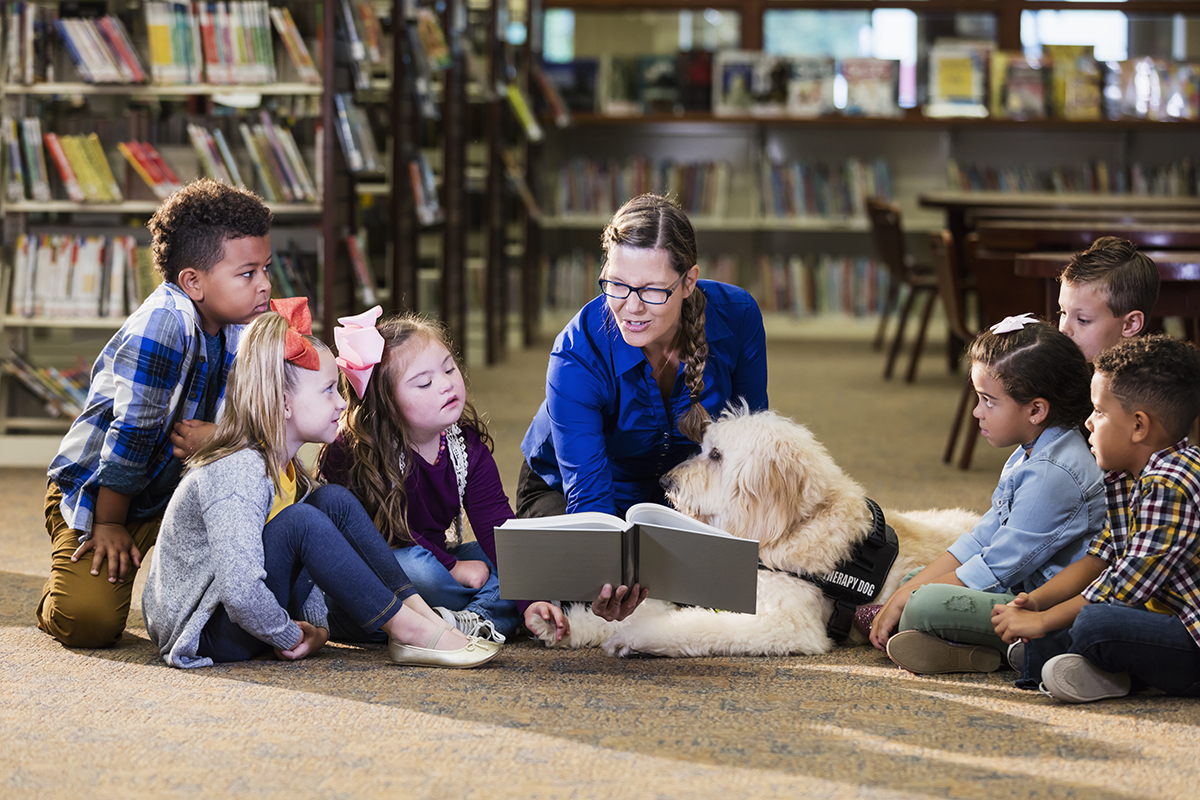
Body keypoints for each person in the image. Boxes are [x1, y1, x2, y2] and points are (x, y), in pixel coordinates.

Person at [142, 299, 500, 669]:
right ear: (283, 404)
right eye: (329, 390)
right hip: (209, 631)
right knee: (302, 522)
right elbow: (240, 592)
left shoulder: (288, 468)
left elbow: (310, 563)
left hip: (253, 615)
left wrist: (317, 629)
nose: (343, 404)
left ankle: (420, 615)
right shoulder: (238, 471)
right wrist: (288, 634)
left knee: (333, 500)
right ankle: (410, 631)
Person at [38, 179, 273, 648]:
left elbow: (266, 420)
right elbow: (132, 434)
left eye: (266, 268)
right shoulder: (165, 323)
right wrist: (108, 524)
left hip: (173, 496)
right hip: (103, 495)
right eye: (247, 273)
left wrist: (223, 438)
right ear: (193, 281)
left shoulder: (241, 325)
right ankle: (55, 597)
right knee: (87, 623)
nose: (265, 283)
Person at [516, 193, 768, 622]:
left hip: (681, 491)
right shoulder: (575, 354)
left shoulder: (738, 314)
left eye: (652, 290)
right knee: (592, 588)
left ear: (689, 281)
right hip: (573, 490)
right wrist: (602, 571)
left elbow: (750, 444)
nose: (630, 307)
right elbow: (589, 502)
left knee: (743, 582)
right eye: (616, 284)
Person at [869, 316, 1105, 675]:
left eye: (989, 401)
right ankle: (969, 653)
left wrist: (909, 599)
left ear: (1036, 410)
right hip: (1022, 583)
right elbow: (981, 537)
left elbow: (996, 567)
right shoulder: (1032, 449)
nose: (977, 412)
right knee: (911, 579)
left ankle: (1011, 648)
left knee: (924, 605)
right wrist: (909, 589)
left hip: (1048, 606)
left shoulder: (1053, 473)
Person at [319, 309, 566, 642]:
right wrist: (452, 567)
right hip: (373, 572)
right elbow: (378, 535)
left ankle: (467, 621)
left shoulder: (464, 445)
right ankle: (466, 613)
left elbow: (496, 525)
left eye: (449, 369)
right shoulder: (352, 449)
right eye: (424, 382)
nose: (447, 384)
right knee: (421, 572)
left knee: (526, 556)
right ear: (386, 403)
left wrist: (529, 600)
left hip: (438, 558)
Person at [992, 334, 1200, 703]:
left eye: (1099, 412)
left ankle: (1106, 671)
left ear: (1139, 426)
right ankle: (1068, 660)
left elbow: (1125, 586)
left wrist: (1042, 622)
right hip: (1158, 613)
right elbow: (1099, 557)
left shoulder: (1172, 484)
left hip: (1192, 634)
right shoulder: (1125, 476)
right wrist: (1037, 603)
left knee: (1094, 623)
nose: (1088, 423)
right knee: (1066, 618)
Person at [1057, 236, 1159, 362]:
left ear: (1130, 324)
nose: (1064, 329)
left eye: (1083, 320)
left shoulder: (1140, 381)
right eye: (1063, 312)